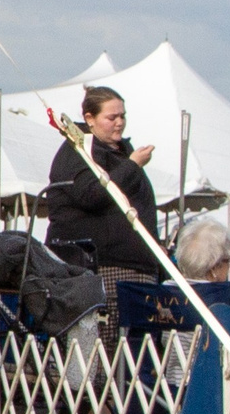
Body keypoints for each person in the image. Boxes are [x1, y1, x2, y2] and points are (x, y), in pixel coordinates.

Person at [44, 87, 160, 317]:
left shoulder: (123, 152)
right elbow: (92, 195)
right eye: (111, 117)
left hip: (140, 266)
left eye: (122, 116)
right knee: (108, 348)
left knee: (137, 347)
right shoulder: (77, 152)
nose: (119, 123)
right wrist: (132, 166)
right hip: (104, 267)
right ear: (90, 119)